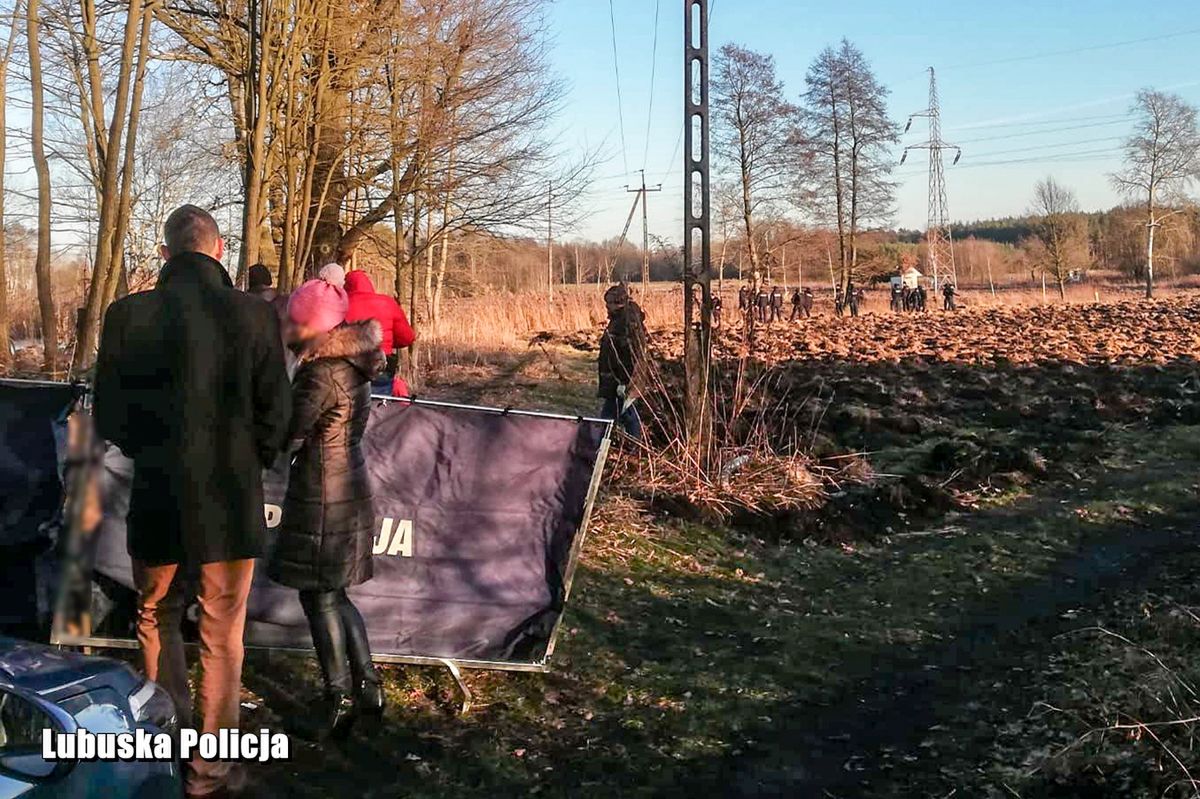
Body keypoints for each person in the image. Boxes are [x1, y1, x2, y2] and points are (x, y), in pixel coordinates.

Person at [94, 205, 291, 799]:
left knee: (155, 618)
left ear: (164, 253)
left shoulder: (128, 314)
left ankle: (163, 747)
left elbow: (110, 415)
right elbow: (276, 415)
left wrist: (152, 449)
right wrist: (245, 457)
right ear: (221, 250)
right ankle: (209, 772)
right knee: (221, 634)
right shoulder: (254, 316)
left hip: (157, 494)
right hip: (229, 502)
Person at [267, 278, 386, 740]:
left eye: (296, 322)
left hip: (323, 495)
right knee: (335, 594)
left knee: (318, 596)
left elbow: (287, 429)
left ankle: (336, 698)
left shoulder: (320, 372)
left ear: (311, 326)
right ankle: (368, 691)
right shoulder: (354, 363)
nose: (290, 329)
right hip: (348, 485)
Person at [343, 271, 415, 396]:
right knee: (380, 405)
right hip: (381, 365)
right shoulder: (387, 302)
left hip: (347, 367)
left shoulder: (340, 304)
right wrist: (387, 342)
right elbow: (407, 337)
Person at [598, 284, 647, 438]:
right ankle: (608, 445)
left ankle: (632, 447)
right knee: (618, 414)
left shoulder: (626, 323)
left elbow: (630, 355)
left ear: (617, 302)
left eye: (608, 303)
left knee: (624, 415)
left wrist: (624, 382)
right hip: (615, 380)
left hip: (621, 381)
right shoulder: (618, 320)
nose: (606, 306)